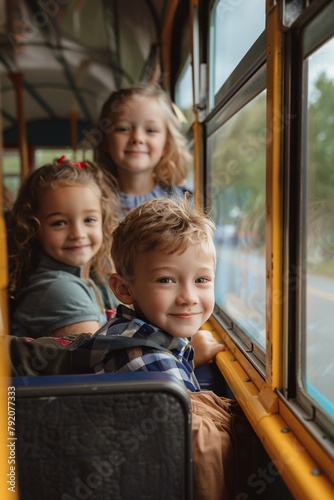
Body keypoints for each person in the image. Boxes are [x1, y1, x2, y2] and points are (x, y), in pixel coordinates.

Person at [74, 196, 242, 499]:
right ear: (124, 289)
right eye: (166, 280)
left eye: (202, 279)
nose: (189, 297)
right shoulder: (144, 360)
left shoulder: (141, 334)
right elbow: (193, 458)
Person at [8, 157, 120, 338]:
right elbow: (102, 357)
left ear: (103, 221)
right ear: (34, 228)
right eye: (59, 223)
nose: (78, 233)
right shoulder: (57, 289)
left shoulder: (97, 279)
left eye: (89, 220)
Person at [93, 83, 192, 215]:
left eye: (151, 130)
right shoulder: (93, 200)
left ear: (166, 146)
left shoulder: (182, 201)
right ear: (105, 142)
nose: (137, 138)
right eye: (123, 129)